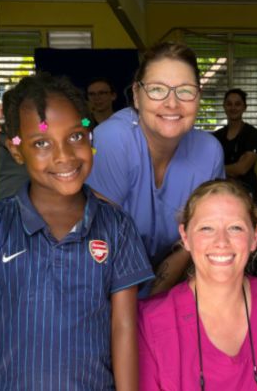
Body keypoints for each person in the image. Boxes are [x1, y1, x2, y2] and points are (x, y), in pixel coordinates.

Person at [0, 73, 154, 390]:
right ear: (16, 152)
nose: (64, 156)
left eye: (75, 137)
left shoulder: (116, 226)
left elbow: (123, 328)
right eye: (41, 143)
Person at [87, 42, 225, 295]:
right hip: (101, 286)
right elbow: (100, 247)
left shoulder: (209, 151)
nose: (172, 103)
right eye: (157, 90)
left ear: (198, 97)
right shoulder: (113, 139)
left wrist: (152, 303)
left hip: (169, 286)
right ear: (136, 96)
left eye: (185, 91)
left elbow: (193, 244)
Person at [137, 179, 257, 390]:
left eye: (235, 228)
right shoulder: (149, 321)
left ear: (255, 237)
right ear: (185, 237)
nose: (221, 242)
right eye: (206, 228)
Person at [212, 88, 257, 200]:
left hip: (246, 191)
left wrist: (218, 169)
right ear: (224, 107)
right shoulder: (215, 137)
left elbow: (242, 169)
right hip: (220, 190)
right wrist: (231, 169)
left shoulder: (252, 133)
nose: (233, 108)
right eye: (229, 104)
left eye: (238, 104)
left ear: (245, 107)